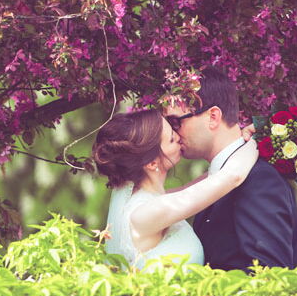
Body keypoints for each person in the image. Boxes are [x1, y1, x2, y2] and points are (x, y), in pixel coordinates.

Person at [163, 68, 297, 271]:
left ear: (213, 117)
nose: (170, 132)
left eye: (175, 122)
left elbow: (271, 276)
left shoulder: (260, 180)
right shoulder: (218, 179)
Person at [94, 109, 258, 269]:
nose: (179, 137)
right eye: (172, 139)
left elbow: (207, 181)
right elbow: (232, 176)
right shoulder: (145, 213)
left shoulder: (152, 199)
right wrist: (254, 139)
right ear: (152, 163)